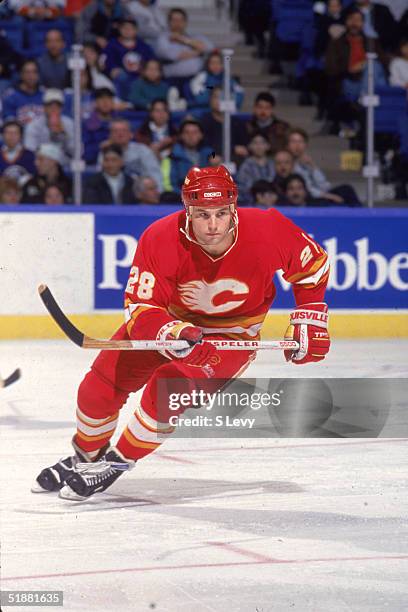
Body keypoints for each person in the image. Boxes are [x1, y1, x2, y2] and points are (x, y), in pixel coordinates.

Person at [32, 165, 330, 500]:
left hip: (231, 339)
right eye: (202, 214)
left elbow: (313, 266)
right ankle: (85, 458)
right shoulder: (159, 237)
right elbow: (140, 307)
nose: (213, 225)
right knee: (96, 389)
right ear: (187, 209)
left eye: (221, 213)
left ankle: (116, 464)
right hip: (168, 325)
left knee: (166, 390)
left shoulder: (268, 229)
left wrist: (310, 318)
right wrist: (173, 331)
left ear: (233, 207)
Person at [287, 128, 362, 205]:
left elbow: (324, 186)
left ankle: (363, 214)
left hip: (320, 195)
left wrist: (312, 166)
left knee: (346, 189)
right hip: (307, 198)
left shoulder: (307, 162)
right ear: (288, 145)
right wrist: (328, 196)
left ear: (305, 145)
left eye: (300, 142)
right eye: (293, 142)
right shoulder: (287, 162)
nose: (297, 145)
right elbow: (306, 189)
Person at [154, 8, 214, 85]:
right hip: (172, 79)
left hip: (196, 79)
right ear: (169, 22)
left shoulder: (194, 36)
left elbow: (209, 48)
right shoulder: (163, 38)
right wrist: (198, 52)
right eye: (174, 20)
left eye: (180, 20)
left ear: (185, 22)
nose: (177, 23)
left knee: (212, 85)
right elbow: (171, 55)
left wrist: (183, 39)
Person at [101, 118, 163, 189]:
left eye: (124, 130)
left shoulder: (143, 150)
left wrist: (158, 194)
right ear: (110, 135)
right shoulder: (105, 152)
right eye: (115, 131)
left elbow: (155, 175)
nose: (120, 134)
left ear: (131, 134)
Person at [104, 17, 155, 99]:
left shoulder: (143, 46)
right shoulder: (112, 45)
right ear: (120, 29)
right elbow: (107, 62)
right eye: (125, 28)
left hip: (140, 78)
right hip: (122, 79)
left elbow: (151, 62)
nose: (127, 31)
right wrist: (112, 69)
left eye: (131, 28)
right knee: (121, 77)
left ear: (136, 30)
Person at [24, 89, 75, 163]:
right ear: (44, 107)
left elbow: (76, 152)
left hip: (64, 166)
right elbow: (29, 151)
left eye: (57, 106)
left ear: (62, 108)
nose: (54, 108)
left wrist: (64, 134)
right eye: (50, 105)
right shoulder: (34, 125)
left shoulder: (69, 123)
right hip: (41, 165)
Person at [200, 87, 248, 163]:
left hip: (235, 160)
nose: (219, 101)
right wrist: (233, 149)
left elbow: (243, 147)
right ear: (210, 100)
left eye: (222, 97)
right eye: (216, 97)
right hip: (212, 157)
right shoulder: (204, 121)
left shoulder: (238, 123)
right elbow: (205, 146)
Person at [164, 119, 214, 193]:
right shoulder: (173, 156)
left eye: (195, 132)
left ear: (201, 135)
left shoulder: (209, 154)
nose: (191, 136)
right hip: (180, 199)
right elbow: (170, 185)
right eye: (187, 132)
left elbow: (215, 154)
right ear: (181, 136)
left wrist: (214, 160)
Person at [244, 92, 290, 156]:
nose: (263, 111)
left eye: (267, 108)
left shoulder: (283, 127)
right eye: (260, 107)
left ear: (272, 109)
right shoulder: (246, 126)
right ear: (254, 108)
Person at [236, 133, 275, 204]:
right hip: (252, 203)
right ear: (250, 146)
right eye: (255, 143)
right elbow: (244, 189)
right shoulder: (245, 165)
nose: (259, 146)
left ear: (268, 146)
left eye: (262, 143)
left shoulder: (273, 164)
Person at [2, 60, 44, 126]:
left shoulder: (45, 95)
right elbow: (9, 124)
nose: (31, 76)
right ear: (21, 74)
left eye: (34, 72)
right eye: (27, 72)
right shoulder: (10, 96)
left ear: (38, 75)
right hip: (19, 135)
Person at [0, 121, 36, 186]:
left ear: (21, 135)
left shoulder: (30, 155)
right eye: (8, 132)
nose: (11, 136)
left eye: (15, 133)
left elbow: (33, 177)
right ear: (2, 135)